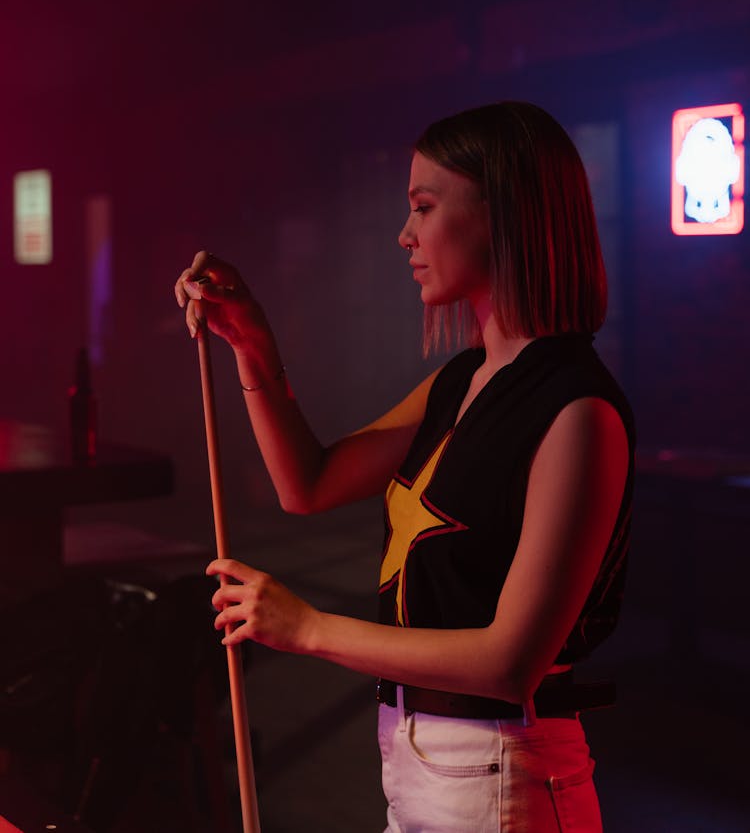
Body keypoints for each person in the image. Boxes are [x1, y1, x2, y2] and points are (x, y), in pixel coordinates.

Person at [174, 101, 634, 833]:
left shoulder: (577, 408)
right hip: (420, 762)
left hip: (505, 775)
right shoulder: (459, 380)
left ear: (502, 214)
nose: (405, 234)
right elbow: (308, 484)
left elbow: (510, 661)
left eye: (424, 206)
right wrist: (252, 345)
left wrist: (309, 627)